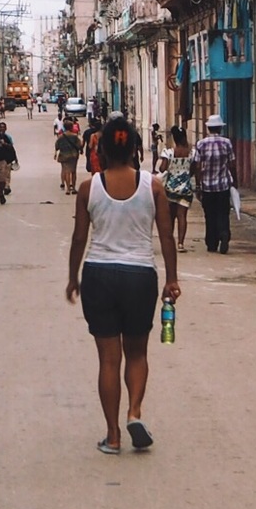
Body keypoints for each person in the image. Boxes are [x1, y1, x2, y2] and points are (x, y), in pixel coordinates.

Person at [64, 113, 181, 455]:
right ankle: (134, 412)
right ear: (135, 149)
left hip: (99, 275)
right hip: (139, 276)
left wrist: (73, 277)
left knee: (108, 360)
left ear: (100, 151)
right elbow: (166, 235)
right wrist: (172, 278)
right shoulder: (152, 186)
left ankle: (113, 436)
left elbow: (78, 238)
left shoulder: (89, 188)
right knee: (137, 353)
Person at [192, 115, 238, 254]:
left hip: (207, 186)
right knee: (223, 213)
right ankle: (224, 233)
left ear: (208, 128)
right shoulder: (227, 143)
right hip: (223, 185)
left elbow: (198, 166)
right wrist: (235, 182)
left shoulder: (201, 144)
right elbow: (232, 164)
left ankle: (211, 242)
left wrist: (198, 185)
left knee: (209, 214)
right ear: (219, 128)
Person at [160, 122, 196, 250]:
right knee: (182, 216)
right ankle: (180, 243)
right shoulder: (192, 153)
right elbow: (193, 170)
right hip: (185, 188)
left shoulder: (169, 153)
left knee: (171, 217)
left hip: (170, 188)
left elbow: (162, 168)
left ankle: (169, 240)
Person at [54, 122, 83, 196]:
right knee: (73, 172)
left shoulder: (60, 137)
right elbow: (79, 145)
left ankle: (68, 189)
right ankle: (73, 188)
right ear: (71, 127)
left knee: (67, 172)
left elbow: (57, 146)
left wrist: (56, 153)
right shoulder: (74, 136)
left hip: (64, 155)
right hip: (73, 156)